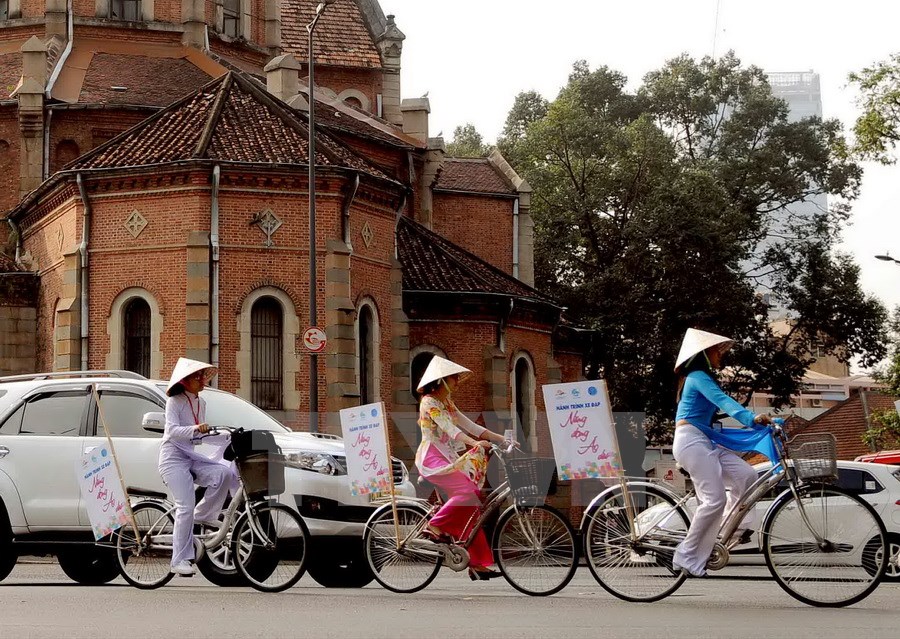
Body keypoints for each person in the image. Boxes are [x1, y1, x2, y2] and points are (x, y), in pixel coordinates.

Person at [671, 329, 771, 578]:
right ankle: (685, 556)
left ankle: (729, 530)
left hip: (706, 441)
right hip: (691, 441)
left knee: (747, 476)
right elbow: (723, 400)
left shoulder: (702, 377)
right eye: (716, 351)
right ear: (703, 354)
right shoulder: (696, 376)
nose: (720, 356)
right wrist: (751, 418)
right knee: (714, 499)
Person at [414, 356, 509, 581]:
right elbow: (450, 430)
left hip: (447, 457)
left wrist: (501, 439)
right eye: (454, 378)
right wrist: (474, 444)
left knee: (471, 509)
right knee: (468, 493)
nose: (457, 382)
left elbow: (471, 426)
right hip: (432, 459)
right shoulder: (429, 402)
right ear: (442, 380)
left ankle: (478, 564)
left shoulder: (447, 403)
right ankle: (434, 526)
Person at [158, 358, 236, 577]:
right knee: (185, 506)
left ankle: (203, 514)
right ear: (184, 381)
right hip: (172, 458)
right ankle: (178, 559)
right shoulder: (174, 401)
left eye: (203, 376)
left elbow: (199, 435)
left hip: (191, 456)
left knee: (223, 473)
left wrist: (225, 435)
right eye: (197, 376)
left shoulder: (202, 403)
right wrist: (195, 429)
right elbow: (172, 431)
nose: (203, 380)